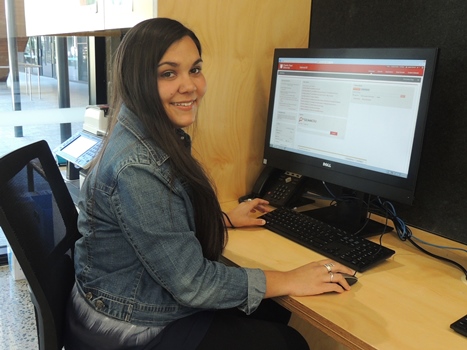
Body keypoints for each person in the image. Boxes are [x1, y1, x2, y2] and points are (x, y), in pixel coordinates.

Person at [65, 17, 356, 350]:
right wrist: (290, 278)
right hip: (127, 325)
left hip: (118, 295)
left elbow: (154, 227)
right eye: (168, 73)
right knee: (287, 341)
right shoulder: (137, 166)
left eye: (195, 69)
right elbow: (192, 283)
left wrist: (226, 219)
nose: (190, 86)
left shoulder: (146, 131)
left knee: (272, 311)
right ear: (138, 81)